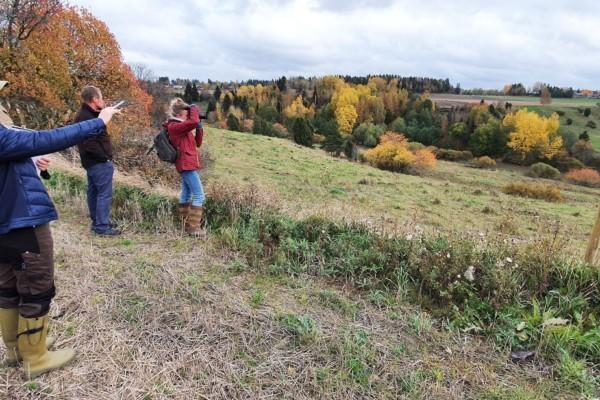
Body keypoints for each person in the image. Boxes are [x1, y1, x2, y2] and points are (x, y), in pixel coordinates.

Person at [0, 105, 121, 378]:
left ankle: (16, 349)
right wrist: (98, 123)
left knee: (8, 285)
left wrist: (28, 162)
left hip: (5, 221)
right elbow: (46, 139)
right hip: (21, 220)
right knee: (36, 286)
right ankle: (35, 357)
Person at [75, 86, 120, 236]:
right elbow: (90, 143)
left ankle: (98, 222)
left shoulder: (85, 114)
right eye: (101, 98)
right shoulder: (88, 118)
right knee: (103, 194)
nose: (103, 101)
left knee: (94, 192)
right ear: (94, 99)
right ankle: (101, 226)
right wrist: (105, 157)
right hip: (97, 162)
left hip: (90, 162)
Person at [164, 98, 206, 237]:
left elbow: (198, 143)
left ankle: (186, 225)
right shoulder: (174, 127)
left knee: (186, 194)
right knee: (199, 195)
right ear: (180, 114)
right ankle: (194, 229)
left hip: (187, 164)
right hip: (186, 165)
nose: (189, 115)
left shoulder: (183, 128)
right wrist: (193, 108)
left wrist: (199, 126)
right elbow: (192, 121)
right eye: (187, 112)